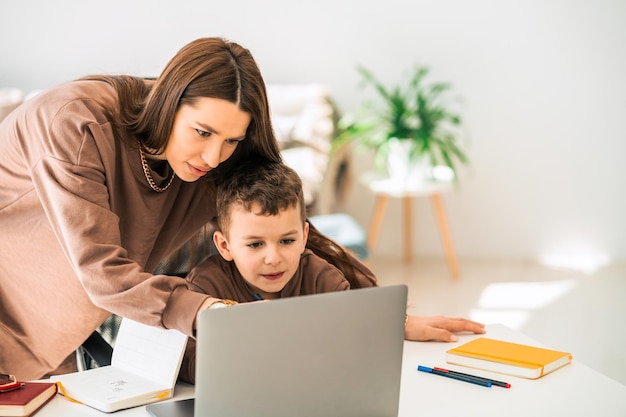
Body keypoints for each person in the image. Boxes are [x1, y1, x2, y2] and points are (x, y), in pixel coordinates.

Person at [0, 36, 482, 383]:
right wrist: (209, 311)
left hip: (55, 351)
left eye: (231, 140)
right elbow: (102, 272)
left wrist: (373, 315)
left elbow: (284, 233)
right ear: (169, 101)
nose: (213, 159)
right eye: (203, 132)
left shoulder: (210, 163)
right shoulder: (73, 124)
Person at [180, 158, 484, 383]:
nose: (273, 258)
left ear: (304, 237)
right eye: (255, 244)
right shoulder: (205, 287)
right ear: (224, 245)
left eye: (287, 240)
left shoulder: (322, 277)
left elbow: (353, 339)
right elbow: (185, 361)